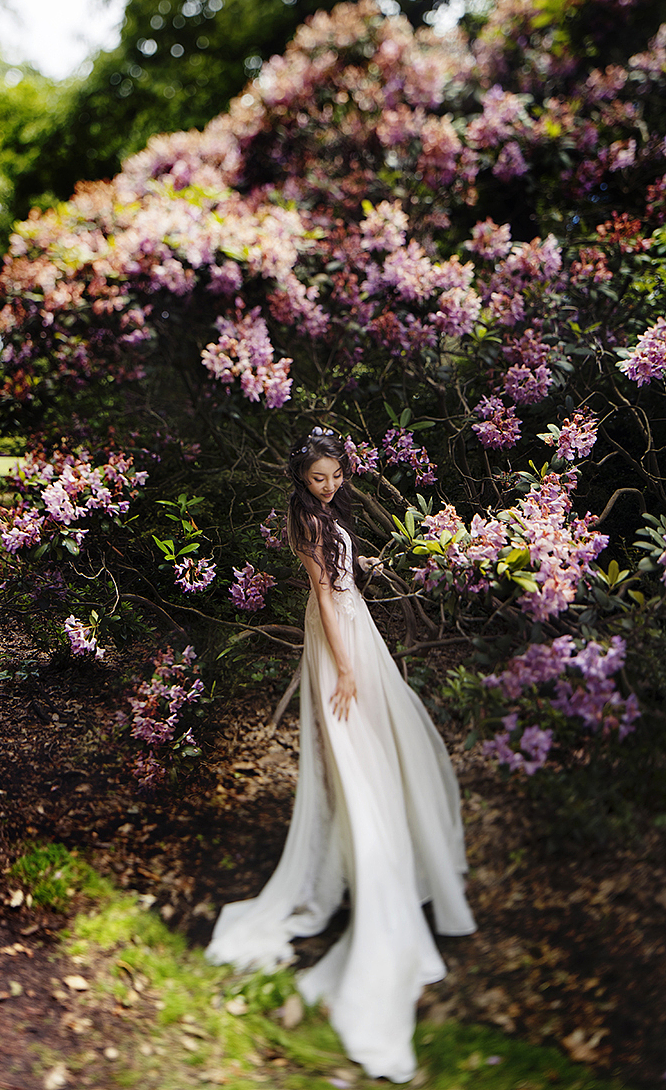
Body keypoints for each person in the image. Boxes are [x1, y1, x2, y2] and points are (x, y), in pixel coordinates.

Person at [205, 426, 476, 1083]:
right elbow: (326, 595)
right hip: (341, 637)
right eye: (317, 478)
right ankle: (372, 873)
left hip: (360, 628)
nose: (327, 485)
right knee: (358, 753)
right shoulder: (308, 523)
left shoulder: (329, 514)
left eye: (334, 476)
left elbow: (346, 580)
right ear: (301, 477)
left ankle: (385, 861)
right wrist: (346, 669)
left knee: (386, 747)